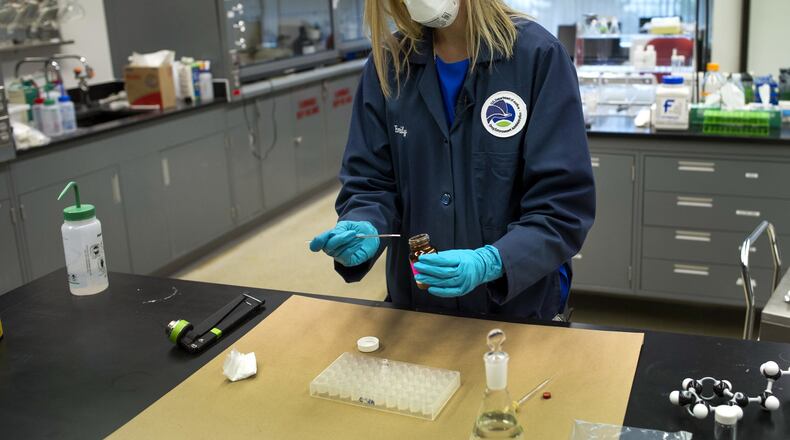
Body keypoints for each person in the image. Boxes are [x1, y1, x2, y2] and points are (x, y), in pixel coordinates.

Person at [310, 0, 595, 320]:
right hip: (419, 306)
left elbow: (562, 205)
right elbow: (370, 182)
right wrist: (365, 223)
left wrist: (494, 261)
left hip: (517, 308)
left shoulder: (537, 57)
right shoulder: (389, 63)